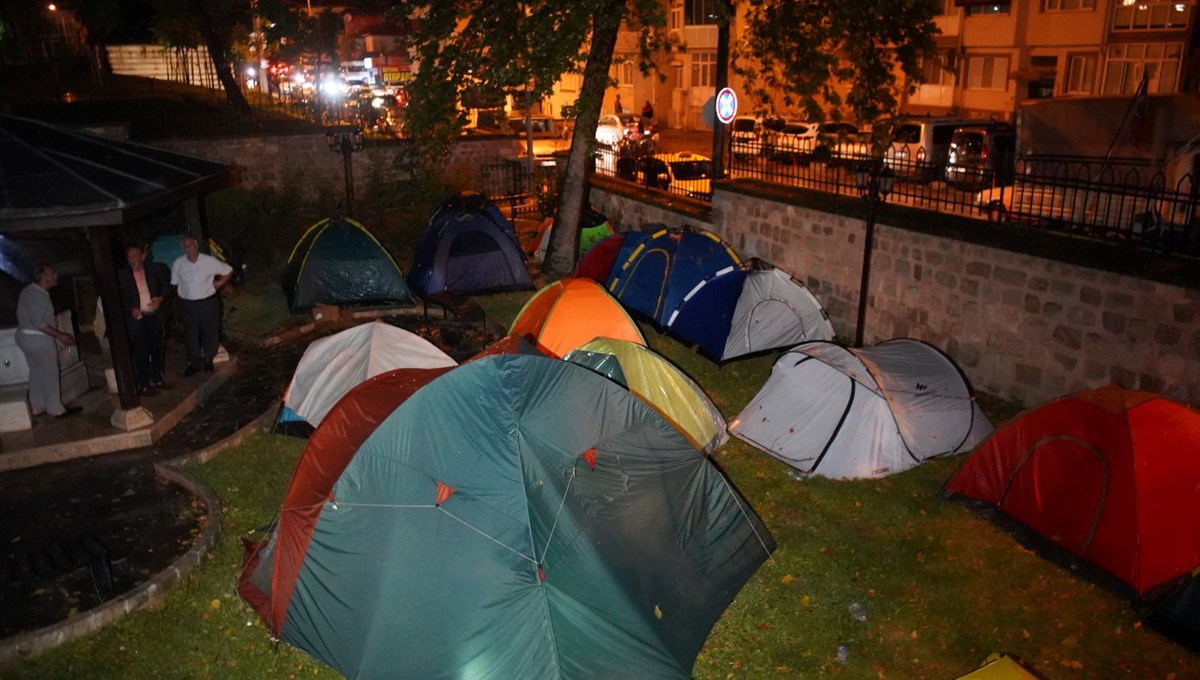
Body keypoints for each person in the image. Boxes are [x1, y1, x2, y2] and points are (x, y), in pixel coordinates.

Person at [16, 265, 80, 418]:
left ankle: (37, 406)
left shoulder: (28, 290)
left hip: (24, 336)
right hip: (38, 339)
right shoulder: (39, 296)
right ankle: (56, 408)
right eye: (52, 273)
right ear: (44, 277)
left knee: (36, 372)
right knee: (50, 372)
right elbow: (39, 323)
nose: (56, 275)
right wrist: (60, 335)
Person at [171, 235, 233, 376]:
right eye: (186, 246)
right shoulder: (178, 264)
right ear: (183, 248)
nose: (189, 248)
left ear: (196, 245)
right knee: (190, 333)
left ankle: (208, 360)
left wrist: (219, 283)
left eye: (191, 245)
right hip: (188, 304)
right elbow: (174, 283)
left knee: (210, 331)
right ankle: (194, 362)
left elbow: (228, 270)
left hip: (207, 302)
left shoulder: (208, 261)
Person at [118, 244, 171, 394]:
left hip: (154, 316)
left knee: (157, 348)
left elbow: (166, 287)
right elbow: (120, 297)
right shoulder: (122, 276)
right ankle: (143, 383)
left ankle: (157, 377)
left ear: (142, 256)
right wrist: (131, 309)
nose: (132, 260)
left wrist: (159, 299)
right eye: (129, 257)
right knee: (141, 351)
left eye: (135, 256)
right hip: (138, 319)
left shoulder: (154, 270)